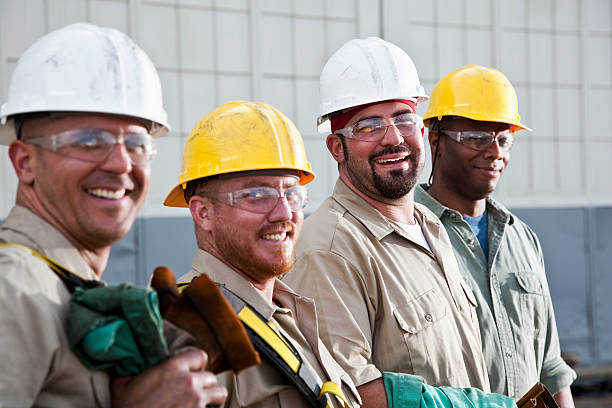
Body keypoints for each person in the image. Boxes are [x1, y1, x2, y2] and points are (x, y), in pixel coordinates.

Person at [0, 23, 226, 407]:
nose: (122, 163)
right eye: (90, 141)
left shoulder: (66, 285)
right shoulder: (14, 290)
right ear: (25, 162)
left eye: (136, 143)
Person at [282, 37, 493, 406]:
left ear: (423, 130)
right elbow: (348, 395)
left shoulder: (431, 225)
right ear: (336, 147)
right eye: (368, 126)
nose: (393, 138)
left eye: (403, 118)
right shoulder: (329, 251)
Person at [163, 100, 362, 408]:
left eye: (292, 193)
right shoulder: (189, 334)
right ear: (203, 213)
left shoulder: (289, 312)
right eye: (257, 195)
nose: (285, 213)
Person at [414, 64, 577, 406]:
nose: (495, 152)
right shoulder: (407, 234)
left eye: (504, 139)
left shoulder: (523, 240)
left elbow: (550, 366)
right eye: (476, 138)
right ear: (435, 141)